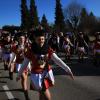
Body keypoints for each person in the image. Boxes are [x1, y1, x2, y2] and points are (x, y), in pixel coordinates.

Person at [17, 28, 74, 100]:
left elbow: (57, 60)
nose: (41, 41)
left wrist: (67, 69)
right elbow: (24, 64)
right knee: (44, 95)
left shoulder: (48, 48)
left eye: (42, 39)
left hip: (46, 73)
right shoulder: (30, 50)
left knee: (43, 94)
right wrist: (19, 74)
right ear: (35, 39)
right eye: (39, 39)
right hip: (37, 75)